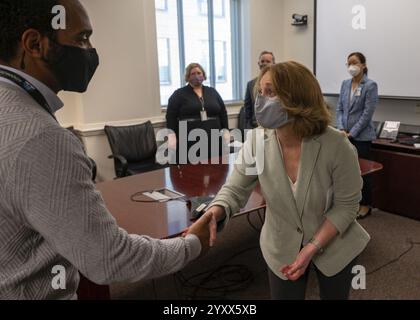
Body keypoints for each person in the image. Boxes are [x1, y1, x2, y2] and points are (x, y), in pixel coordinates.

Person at [0, 0, 211, 300]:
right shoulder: (41, 137)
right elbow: (109, 258)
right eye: (82, 38)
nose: (90, 51)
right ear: (35, 44)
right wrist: (193, 245)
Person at [195, 61, 370, 300]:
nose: (261, 100)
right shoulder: (257, 140)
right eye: (261, 92)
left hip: (335, 243)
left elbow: (347, 206)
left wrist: (312, 247)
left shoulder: (337, 145)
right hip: (280, 244)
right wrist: (216, 210)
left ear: (296, 99)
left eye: (271, 92)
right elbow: (236, 188)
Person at [336, 52, 379, 219]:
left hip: (361, 137)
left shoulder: (370, 85)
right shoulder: (345, 84)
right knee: (348, 172)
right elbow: (339, 108)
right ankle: (353, 202)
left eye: (354, 62)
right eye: (348, 63)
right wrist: (341, 129)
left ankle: (366, 204)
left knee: (363, 171)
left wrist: (351, 133)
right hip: (343, 134)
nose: (351, 66)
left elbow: (367, 113)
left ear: (363, 65)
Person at [166, 63, 230, 164]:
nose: (196, 76)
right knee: (193, 171)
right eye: (192, 74)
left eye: (199, 73)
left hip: (213, 138)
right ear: (187, 77)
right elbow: (170, 116)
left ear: (203, 76)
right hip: (190, 140)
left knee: (215, 169)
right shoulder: (179, 94)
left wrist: (226, 131)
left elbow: (223, 112)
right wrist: (172, 136)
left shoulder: (212, 92)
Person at [243, 51, 275, 129]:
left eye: (268, 61)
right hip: (255, 127)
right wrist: (248, 125)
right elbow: (247, 108)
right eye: (262, 61)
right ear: (258, 63)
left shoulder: (278, 82)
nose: (265, 63)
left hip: (273, 126)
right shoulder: (250, 84)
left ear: (274, 63)